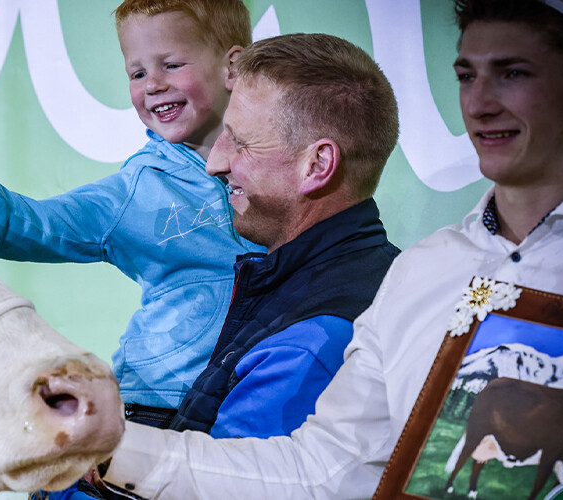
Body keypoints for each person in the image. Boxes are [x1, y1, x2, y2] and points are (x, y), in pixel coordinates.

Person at [96, 0, 563, 498]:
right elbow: (322, 470)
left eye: (513, 73)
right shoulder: (421, 269)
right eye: (466, 76)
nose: (479, 104)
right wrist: (99, 445)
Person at [0, 0, 264, 428]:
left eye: (171, 65)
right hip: (159, 408)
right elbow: (33, 227)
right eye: (137, 73)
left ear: (234, 65)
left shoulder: (284, 162)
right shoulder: (138, 190)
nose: (152, 85)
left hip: (258, 399)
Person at [166, 32, 400, 440]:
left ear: (317, 165)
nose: (215, 163)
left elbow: (219, 484)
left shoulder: (313, 341)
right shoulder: (341, 282)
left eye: (240, 142)